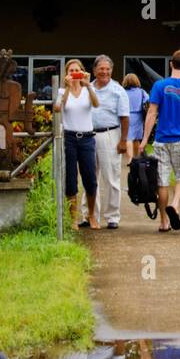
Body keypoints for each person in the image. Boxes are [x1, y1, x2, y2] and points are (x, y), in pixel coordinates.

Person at [141, 49, 180, 232]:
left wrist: (145, 139)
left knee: (162, 182)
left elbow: (152, 113)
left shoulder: (159, 86)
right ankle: (175, 205)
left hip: (161, 140)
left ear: (171, 64)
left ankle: (163, 222)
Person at [54, 58, 100, 230]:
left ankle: (91, 215)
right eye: (71, 71)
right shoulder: (62, 90)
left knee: (90, 178)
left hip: (87, 138)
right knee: (70, 179)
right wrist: (66, 88)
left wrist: (88, 85)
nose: (74, 74)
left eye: (77, 70)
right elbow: (58, 108)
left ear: (83, 71)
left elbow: (96, 104)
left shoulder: (89, 89)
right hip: (69, 138)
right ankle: (73, 218)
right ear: (66, 74)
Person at [88, 55, 130, 229]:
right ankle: (89, 215)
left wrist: (123, 141)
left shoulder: (118, 90)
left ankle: (112, 216)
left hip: (110, 134)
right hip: (88, 135)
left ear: (111, 71)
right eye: (101, 69)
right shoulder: (87, 88)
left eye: (108, 69)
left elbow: (125, 117)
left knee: (111, 177)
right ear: (94, 70)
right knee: (90, 177)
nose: (104, 72)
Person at [123, 73, 149, 157]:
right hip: (138, 116)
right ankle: (137, 158)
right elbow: (147, 101)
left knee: (128, 138)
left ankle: (130, 159)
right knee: (137, 139)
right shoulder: (141, 92)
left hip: (126, 116)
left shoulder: (123, 92)